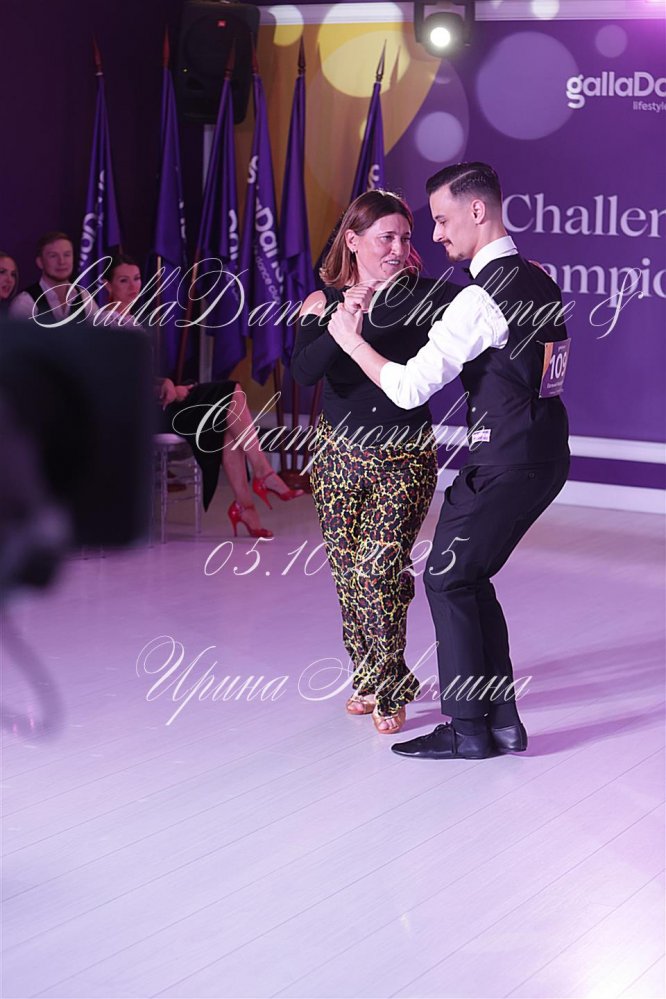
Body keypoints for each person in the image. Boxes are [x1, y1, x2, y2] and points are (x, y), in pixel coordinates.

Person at [328, 162, 571, 759]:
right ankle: (501, 723)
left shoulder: (480, 299)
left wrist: (351, 340)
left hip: (504, 460)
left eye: (440, 220)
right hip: (545, 455)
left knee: (446, 578)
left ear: (477, 211)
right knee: (467, 577)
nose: (434, 234)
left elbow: (409, 388)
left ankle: (467, 730)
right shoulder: (540, 279)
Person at [292, 190, 460, 734]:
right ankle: (367, 674)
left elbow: (487, 301)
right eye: (386, 237)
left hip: (404, 455)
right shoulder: (323, 302)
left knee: (379, 570)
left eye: (405, 238)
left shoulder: (429, 296)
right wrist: (345, 318)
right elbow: (304, 372)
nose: (397, 248)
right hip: (337, 455)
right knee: (349, 575)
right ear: (353, 240)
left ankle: (389, 685)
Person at [103, 253, 304, 538]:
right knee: (231, 393)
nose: (133, 286)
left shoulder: (131, 320)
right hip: (138, 414)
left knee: (229, 417)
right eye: (124, 281)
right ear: (107, 285)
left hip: (158, 402)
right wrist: (166, 388)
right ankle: (263, 474)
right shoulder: (106, 324)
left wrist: (167, 385)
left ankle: (246, 505)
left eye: (136, 279)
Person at [9, 231, 97, 325]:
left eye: (67, 255)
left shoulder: (84, 296)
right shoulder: (25, 303)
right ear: (40, 262)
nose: (62, 262)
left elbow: (100, 329)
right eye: (53, 256)